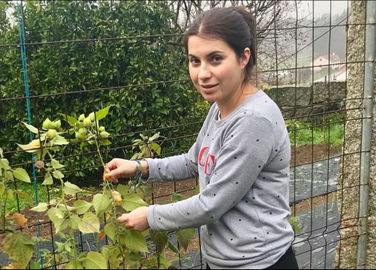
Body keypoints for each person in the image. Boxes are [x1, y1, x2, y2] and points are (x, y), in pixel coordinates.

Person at [105, 6, 299, 269]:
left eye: (215, 59)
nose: (202, 73)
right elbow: (193, 161)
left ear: (243, 57)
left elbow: (212, 205)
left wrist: (150, 216)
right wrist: (140, 167)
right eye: (194, 61)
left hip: (259, 263)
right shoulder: (220, 107)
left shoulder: (254, 120)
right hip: (222, 260)